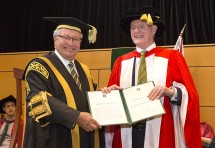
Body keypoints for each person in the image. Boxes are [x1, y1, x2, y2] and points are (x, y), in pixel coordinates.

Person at [102, 6, 202, 148]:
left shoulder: (172, 58)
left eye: (142, 26)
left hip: (161, 131)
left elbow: (191, 96)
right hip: (127, 133)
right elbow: (113, 104)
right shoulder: (121, 61)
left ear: (153, 30)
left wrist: (170, 92)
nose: (136, 31)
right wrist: (109, 94)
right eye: (133, 28)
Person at [22, 17, 104, 148]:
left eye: (75, 39)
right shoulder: (39, 66)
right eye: (65, 37)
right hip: (55, 138)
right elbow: (39, 100)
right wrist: (76, 117)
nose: (70, 43)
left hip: (83, 136)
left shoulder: (84, 69)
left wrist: (107, 94)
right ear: (55, 39)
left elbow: (87, 98)